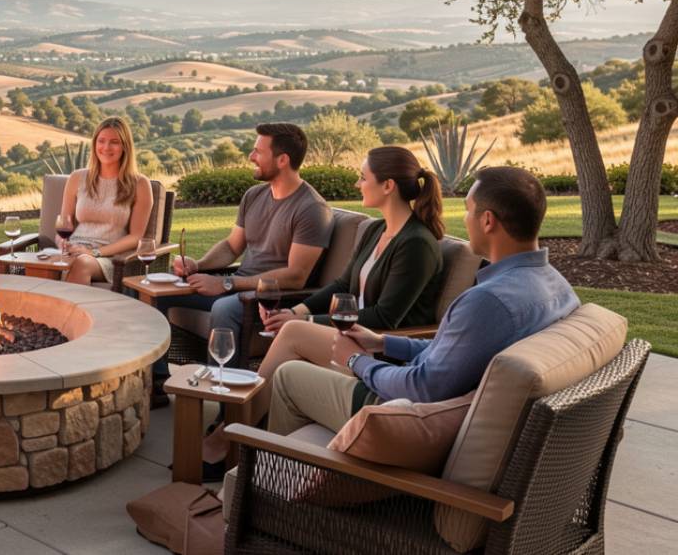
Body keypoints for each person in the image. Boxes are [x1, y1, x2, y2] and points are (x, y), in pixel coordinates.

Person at [265, 166, 579, 439]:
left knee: (289, 374)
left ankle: (262, 473)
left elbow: (424, 388)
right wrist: (383, 344)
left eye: (468, 209)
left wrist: (356, 361)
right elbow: (455, 353)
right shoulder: (557, 286)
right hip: (434, 397)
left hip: (407, 416)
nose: (464, 217)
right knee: (298, 340)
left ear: (487, 221)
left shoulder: (487, 301)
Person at [202, 146, 447, 465]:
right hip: (351, 335)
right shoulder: (375, 230)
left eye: (363, 178)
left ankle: (229, 432)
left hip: (381, 349)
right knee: (290, 331)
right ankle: (240, 432)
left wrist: (307, 322)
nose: (357, 184)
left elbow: (386, 316)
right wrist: (299, 312)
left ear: (388, 186)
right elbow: (342, 285)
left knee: (290, 334)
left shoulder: (416, 244)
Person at [146, 123, 332, 401]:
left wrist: (226, 283)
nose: (250, 156)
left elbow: (296, 276)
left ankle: (224, 405)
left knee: (224, 307)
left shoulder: (312, 210)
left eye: (258, 151)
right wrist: (199, 265)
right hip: (239, 286)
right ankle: (159, 382)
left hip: (271, 299)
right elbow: (232, 246)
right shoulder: (254, 195)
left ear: (283, 160)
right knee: (156, 296)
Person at [58, 117, 154, 285]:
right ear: (94, 144)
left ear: (125, 146)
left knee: (81, 263)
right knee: (42, 266)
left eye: (114, 142)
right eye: (101, 141)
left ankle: (69, 312)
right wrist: (64, 246)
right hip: (75, 249)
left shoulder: (139, 184)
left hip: (109, 257)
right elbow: (63, 225)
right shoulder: (77, 178)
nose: (106, 147)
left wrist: (94, 252)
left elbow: (136, 236)